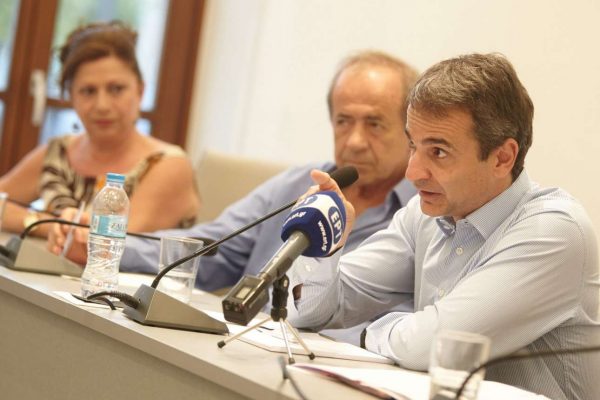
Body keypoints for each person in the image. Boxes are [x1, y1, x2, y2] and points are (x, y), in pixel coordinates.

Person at [287, 53, 599, 399]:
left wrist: (366, 331)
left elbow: (436, 348)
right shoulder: (425, 215)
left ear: (502, 157)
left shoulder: (554, 231)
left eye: (438, 152)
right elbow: (311, 310)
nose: (413, 173)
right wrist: (323, 250)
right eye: (413, 146)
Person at [50, 50, 418, 292]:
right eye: (343, 121)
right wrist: (105, 245)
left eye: (374, 124)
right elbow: (212, 249)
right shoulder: (299, 185)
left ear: (410, 129)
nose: (355, 141)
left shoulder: (423, 214)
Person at [0, 21, 199, 244]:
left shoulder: (169, 164)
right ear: (71, 97)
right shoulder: (57, 153)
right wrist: (45, 225)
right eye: (88, 91)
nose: (102, 105)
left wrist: (40, 224)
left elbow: (106, 243)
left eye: (116, 89)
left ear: (140, 91)